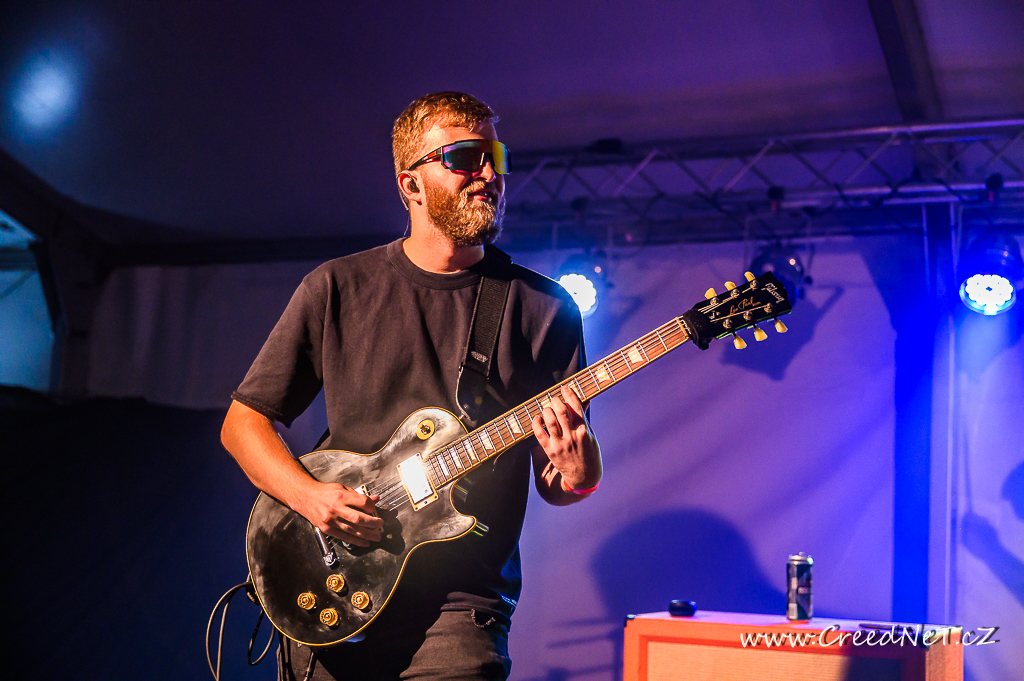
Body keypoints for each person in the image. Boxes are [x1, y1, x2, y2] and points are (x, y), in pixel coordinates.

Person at [221, 91, 602, 681]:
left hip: (460, 609)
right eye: (465, 158)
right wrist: (310, 497)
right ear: (411, 183)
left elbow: (557, 481)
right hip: (335, 584)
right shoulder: (338, 287)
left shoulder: (545, 308)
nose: (488, 174)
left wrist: (582, 473)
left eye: (496, 157)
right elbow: (242, 425)